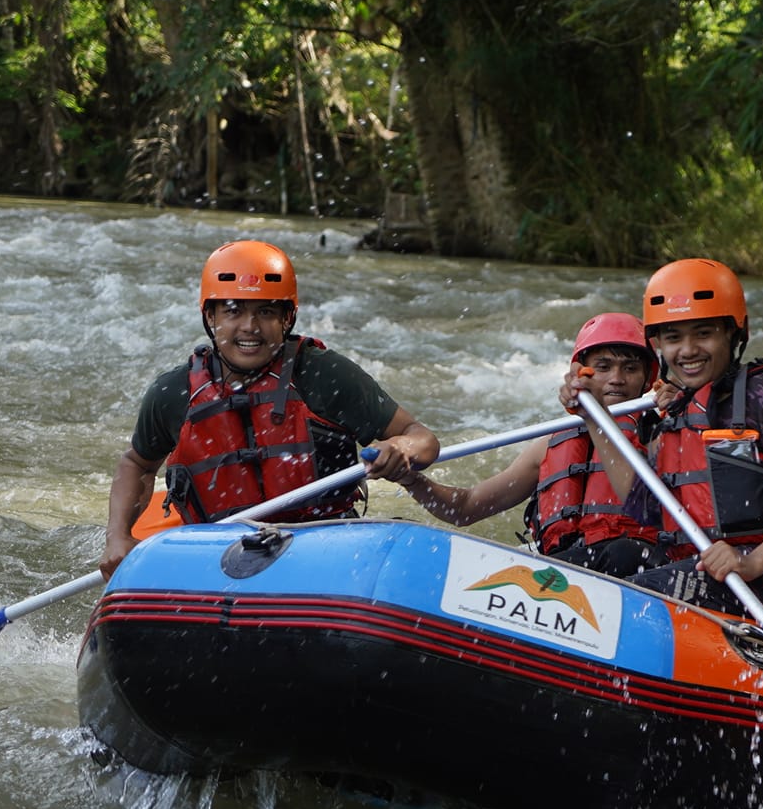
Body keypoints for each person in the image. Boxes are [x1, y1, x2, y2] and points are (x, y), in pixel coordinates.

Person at [101, 240, 439, 578]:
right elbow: (137, 463)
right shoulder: (174, 392)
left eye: (265, 312)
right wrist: (117, 536)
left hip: (325, 550)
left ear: (287, 318)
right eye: (233, 310)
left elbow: (422, 438)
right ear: (210, 316)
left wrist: (400, 447)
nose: (250, 326)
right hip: (216, 559)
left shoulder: (324, 374)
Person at [566, 258, 763, 626]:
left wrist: (751, 562)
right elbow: (645, 504)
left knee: (609, 606)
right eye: (673, 338)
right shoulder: (680, 410)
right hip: (697, 568)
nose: (687, 350)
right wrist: (594, 417)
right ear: (658, 344)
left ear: (734, 333)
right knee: (589, 572)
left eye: (703, 333)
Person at [395, 313, 661, 577]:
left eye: (630, 368)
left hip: (636, 567)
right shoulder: (550, 445)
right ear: (581, 373)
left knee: (624, 553)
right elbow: (465, 508)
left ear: (647, 378)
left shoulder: (660, 436)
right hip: (563, 572)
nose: (617, 378)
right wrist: (412, 480)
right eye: (603, 367)